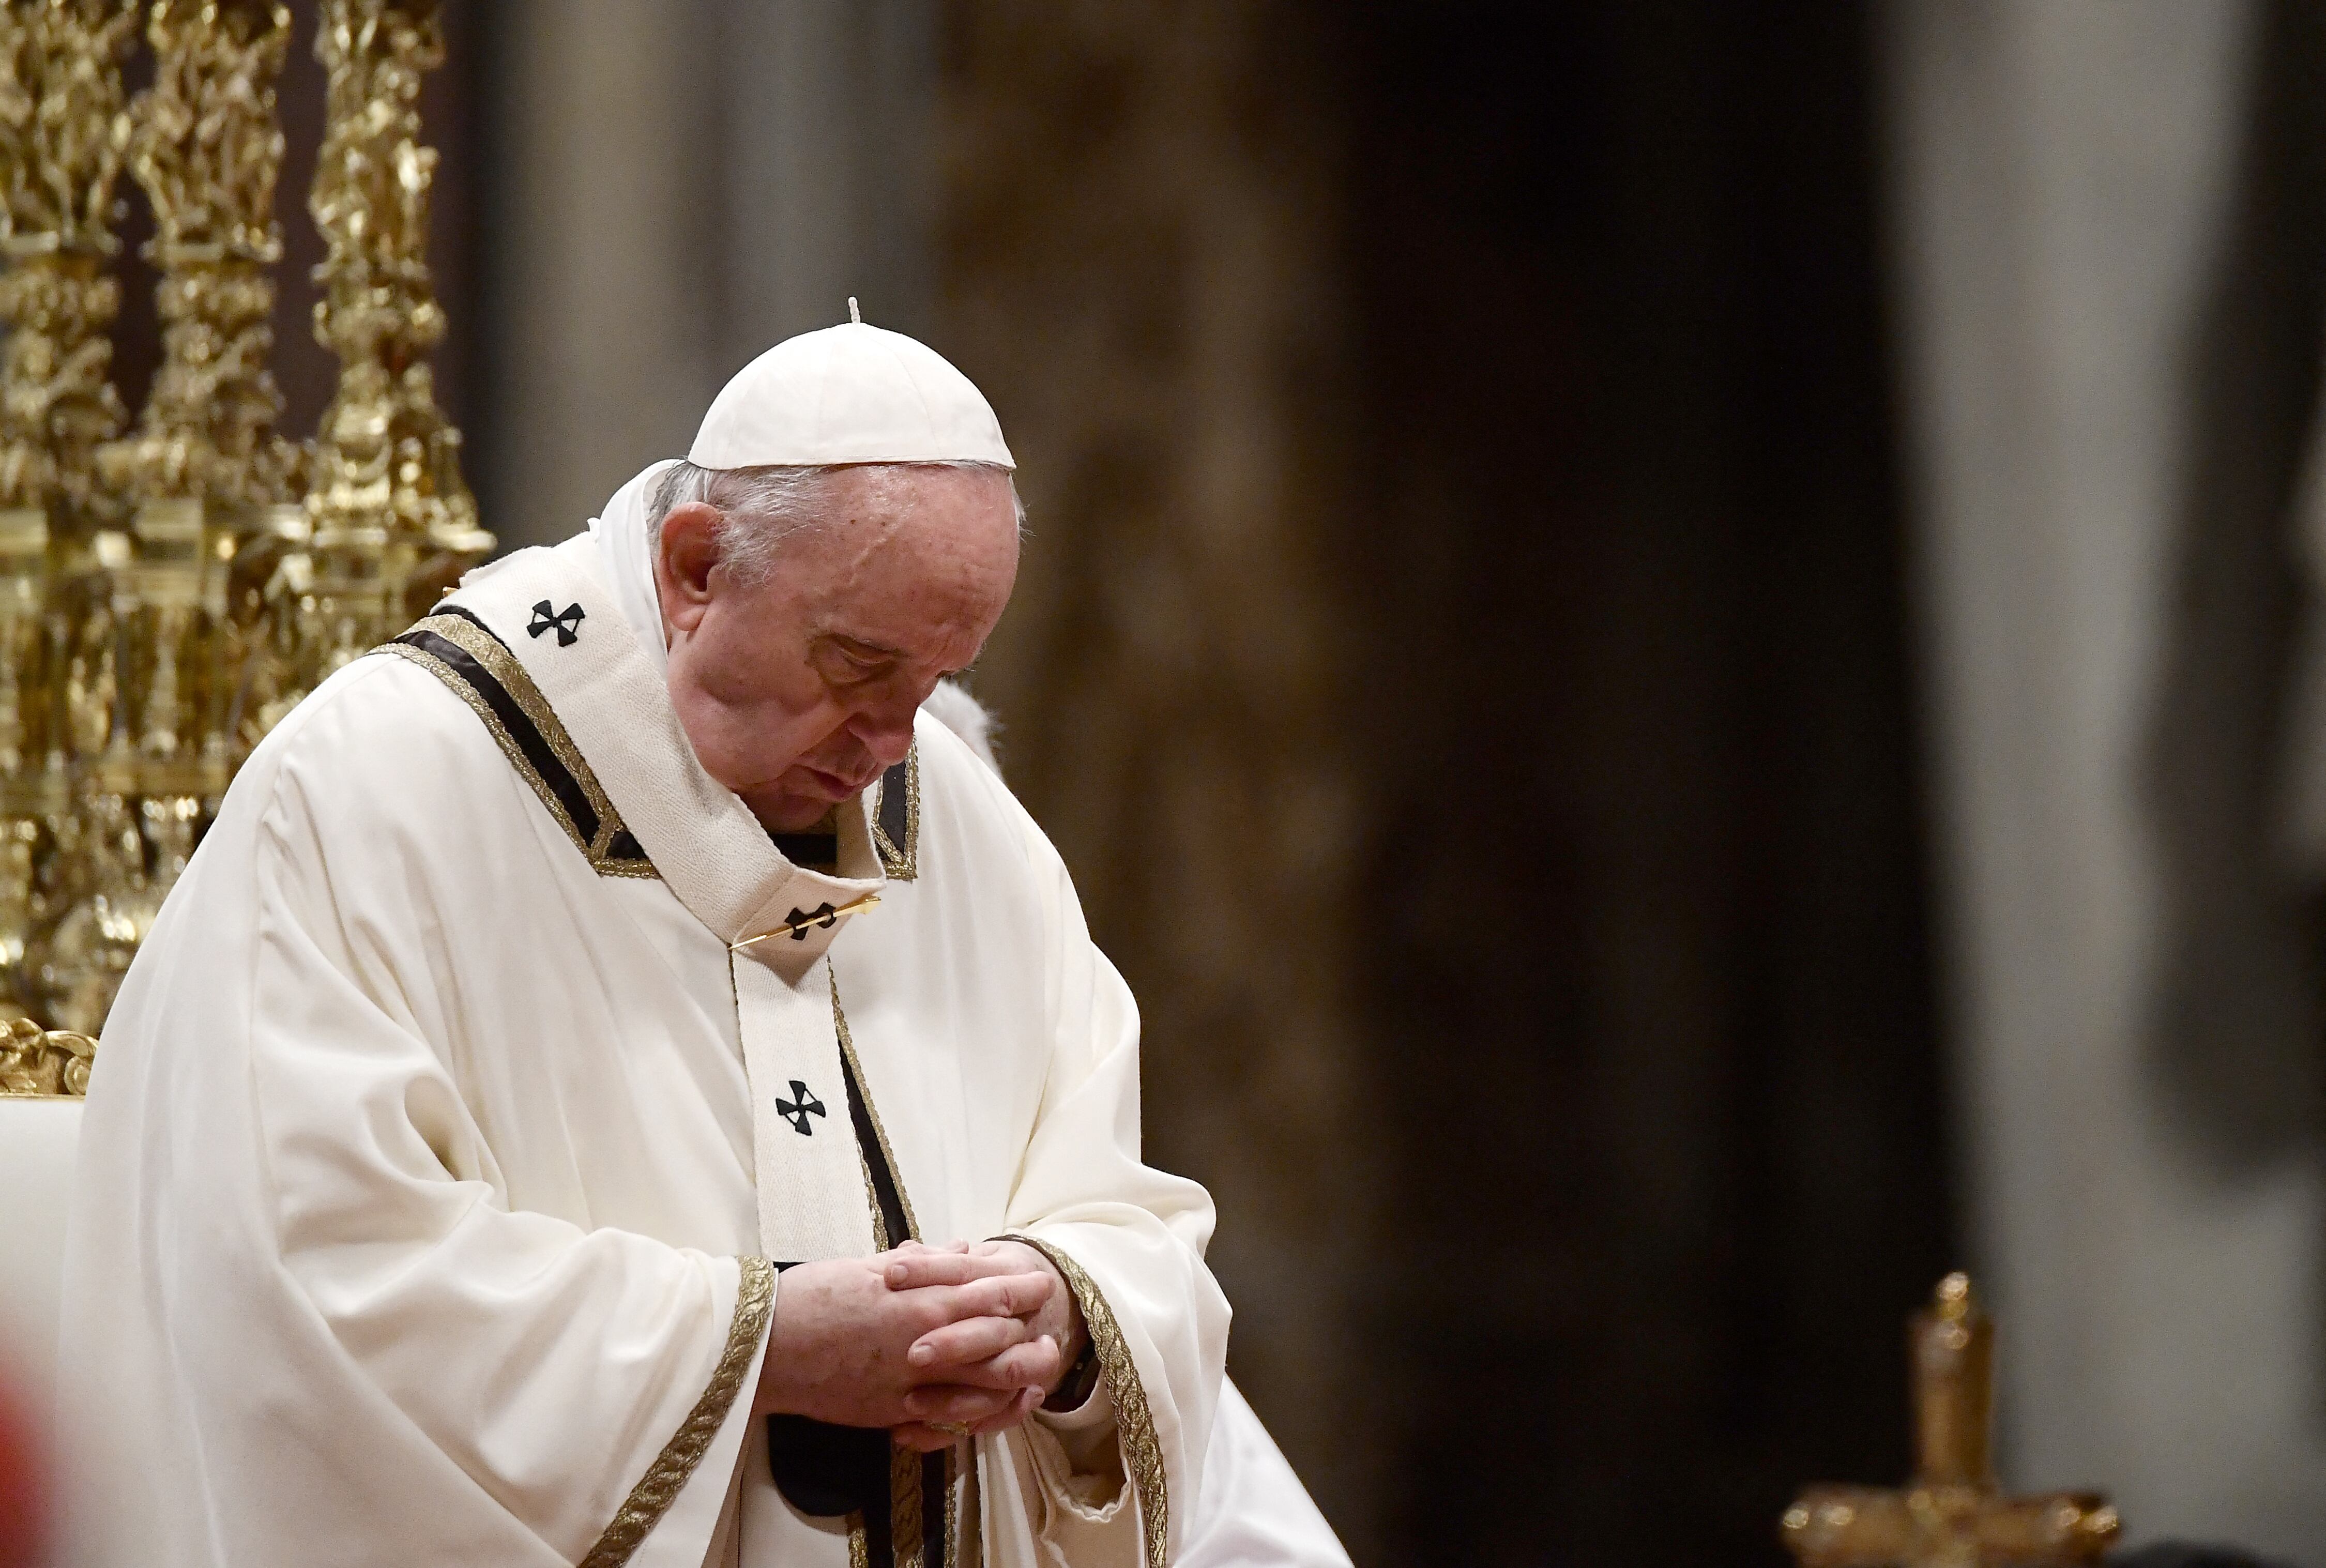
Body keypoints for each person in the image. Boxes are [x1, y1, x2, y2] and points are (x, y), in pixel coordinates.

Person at [58, 314, 1339, 1567]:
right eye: (854, 665)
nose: (890, 746)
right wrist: (758, 1343)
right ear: (693, 569)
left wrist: (1058, 1316)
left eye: (937, 679)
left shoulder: (962, 816)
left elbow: (1128, 1215)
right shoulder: (375, 790)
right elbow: (297, 1278)